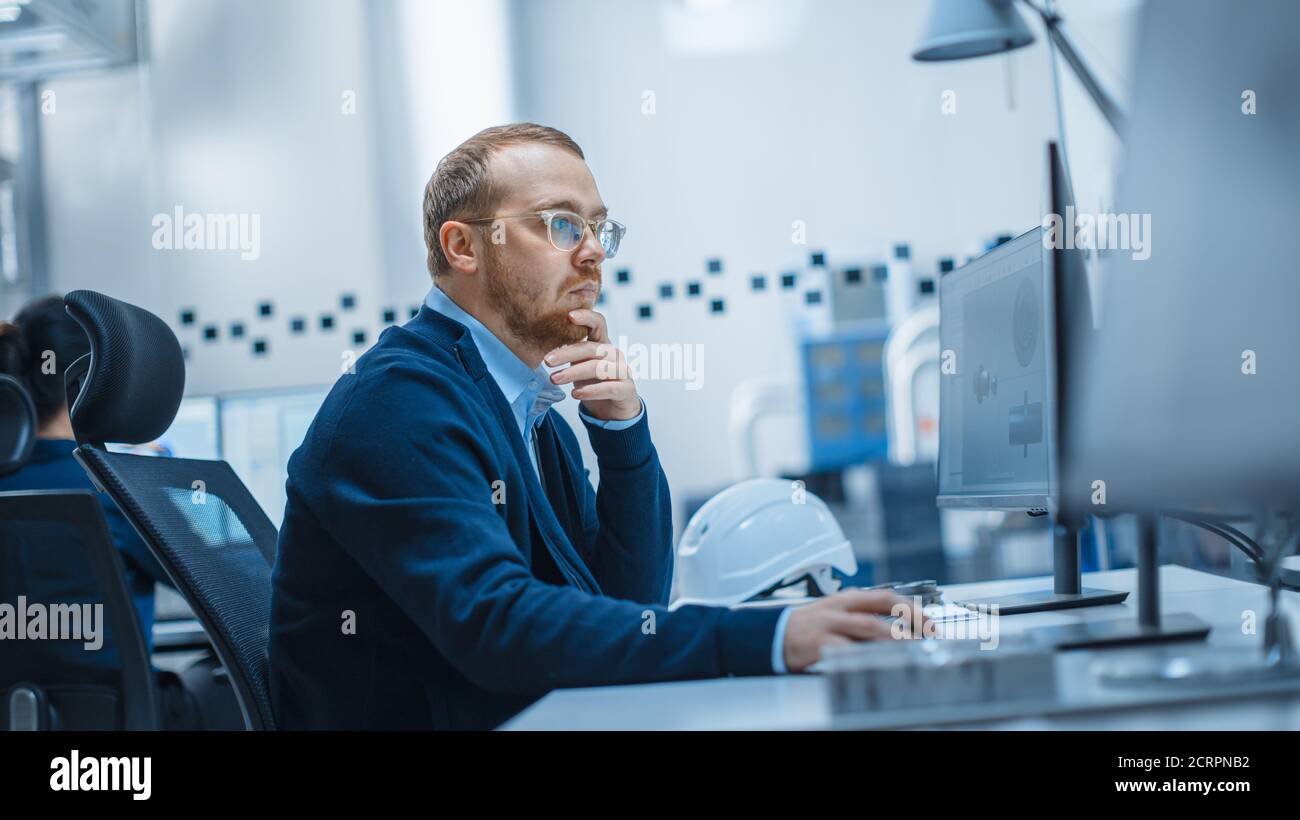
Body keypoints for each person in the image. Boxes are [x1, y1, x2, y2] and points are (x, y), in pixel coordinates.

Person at [269, 123, 916, 730]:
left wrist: (622, 433)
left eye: (600, 229)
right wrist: (770, 637)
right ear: (464, 246)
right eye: (559, 224)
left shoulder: (525, 408)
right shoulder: (400, 402)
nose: (593, 255)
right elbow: (498, 626)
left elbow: (626, 600)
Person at [0, 295, 220, 729]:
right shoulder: (118, 487)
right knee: (221, 680)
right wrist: (164, 477)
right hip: (122, 724)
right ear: (88, 383)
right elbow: (229, 571)